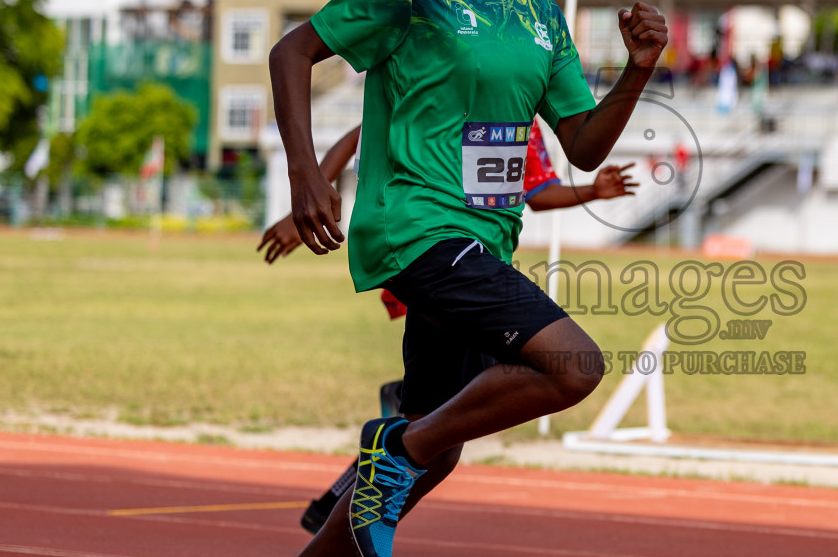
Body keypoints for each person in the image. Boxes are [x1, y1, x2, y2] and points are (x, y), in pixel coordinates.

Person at [233, 0, 668, 557]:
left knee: (437, 446)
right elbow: (293, 50)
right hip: (415, 226)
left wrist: (639, 69)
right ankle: (395, 448)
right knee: (574, 365)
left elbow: (579, 145)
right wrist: (306, 177)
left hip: (484, 235)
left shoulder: (542, 19)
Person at [253, 119, 637, 534]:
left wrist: (592, 191)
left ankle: (322, 527)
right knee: (446, 419)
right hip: (434, 259)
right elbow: (361, 134)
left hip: (475, 265)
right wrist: (309, 192)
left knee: (437, 416)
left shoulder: (524, 113)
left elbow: (538, 191)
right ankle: (365, 475)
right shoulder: (455, 77)